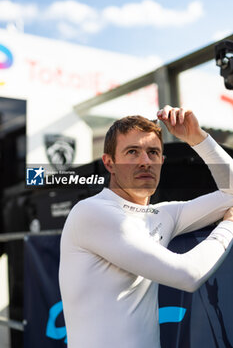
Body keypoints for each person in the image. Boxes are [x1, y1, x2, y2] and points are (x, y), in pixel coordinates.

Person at [59, 105, 233, 348]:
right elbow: (188, 275)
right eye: (132, 152)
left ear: (162, 161)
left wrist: (197, 138)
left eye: (153, 153)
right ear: (109, 163)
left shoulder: (161, 214)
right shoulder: (91, 212)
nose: (145, 161)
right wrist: (229, 225)